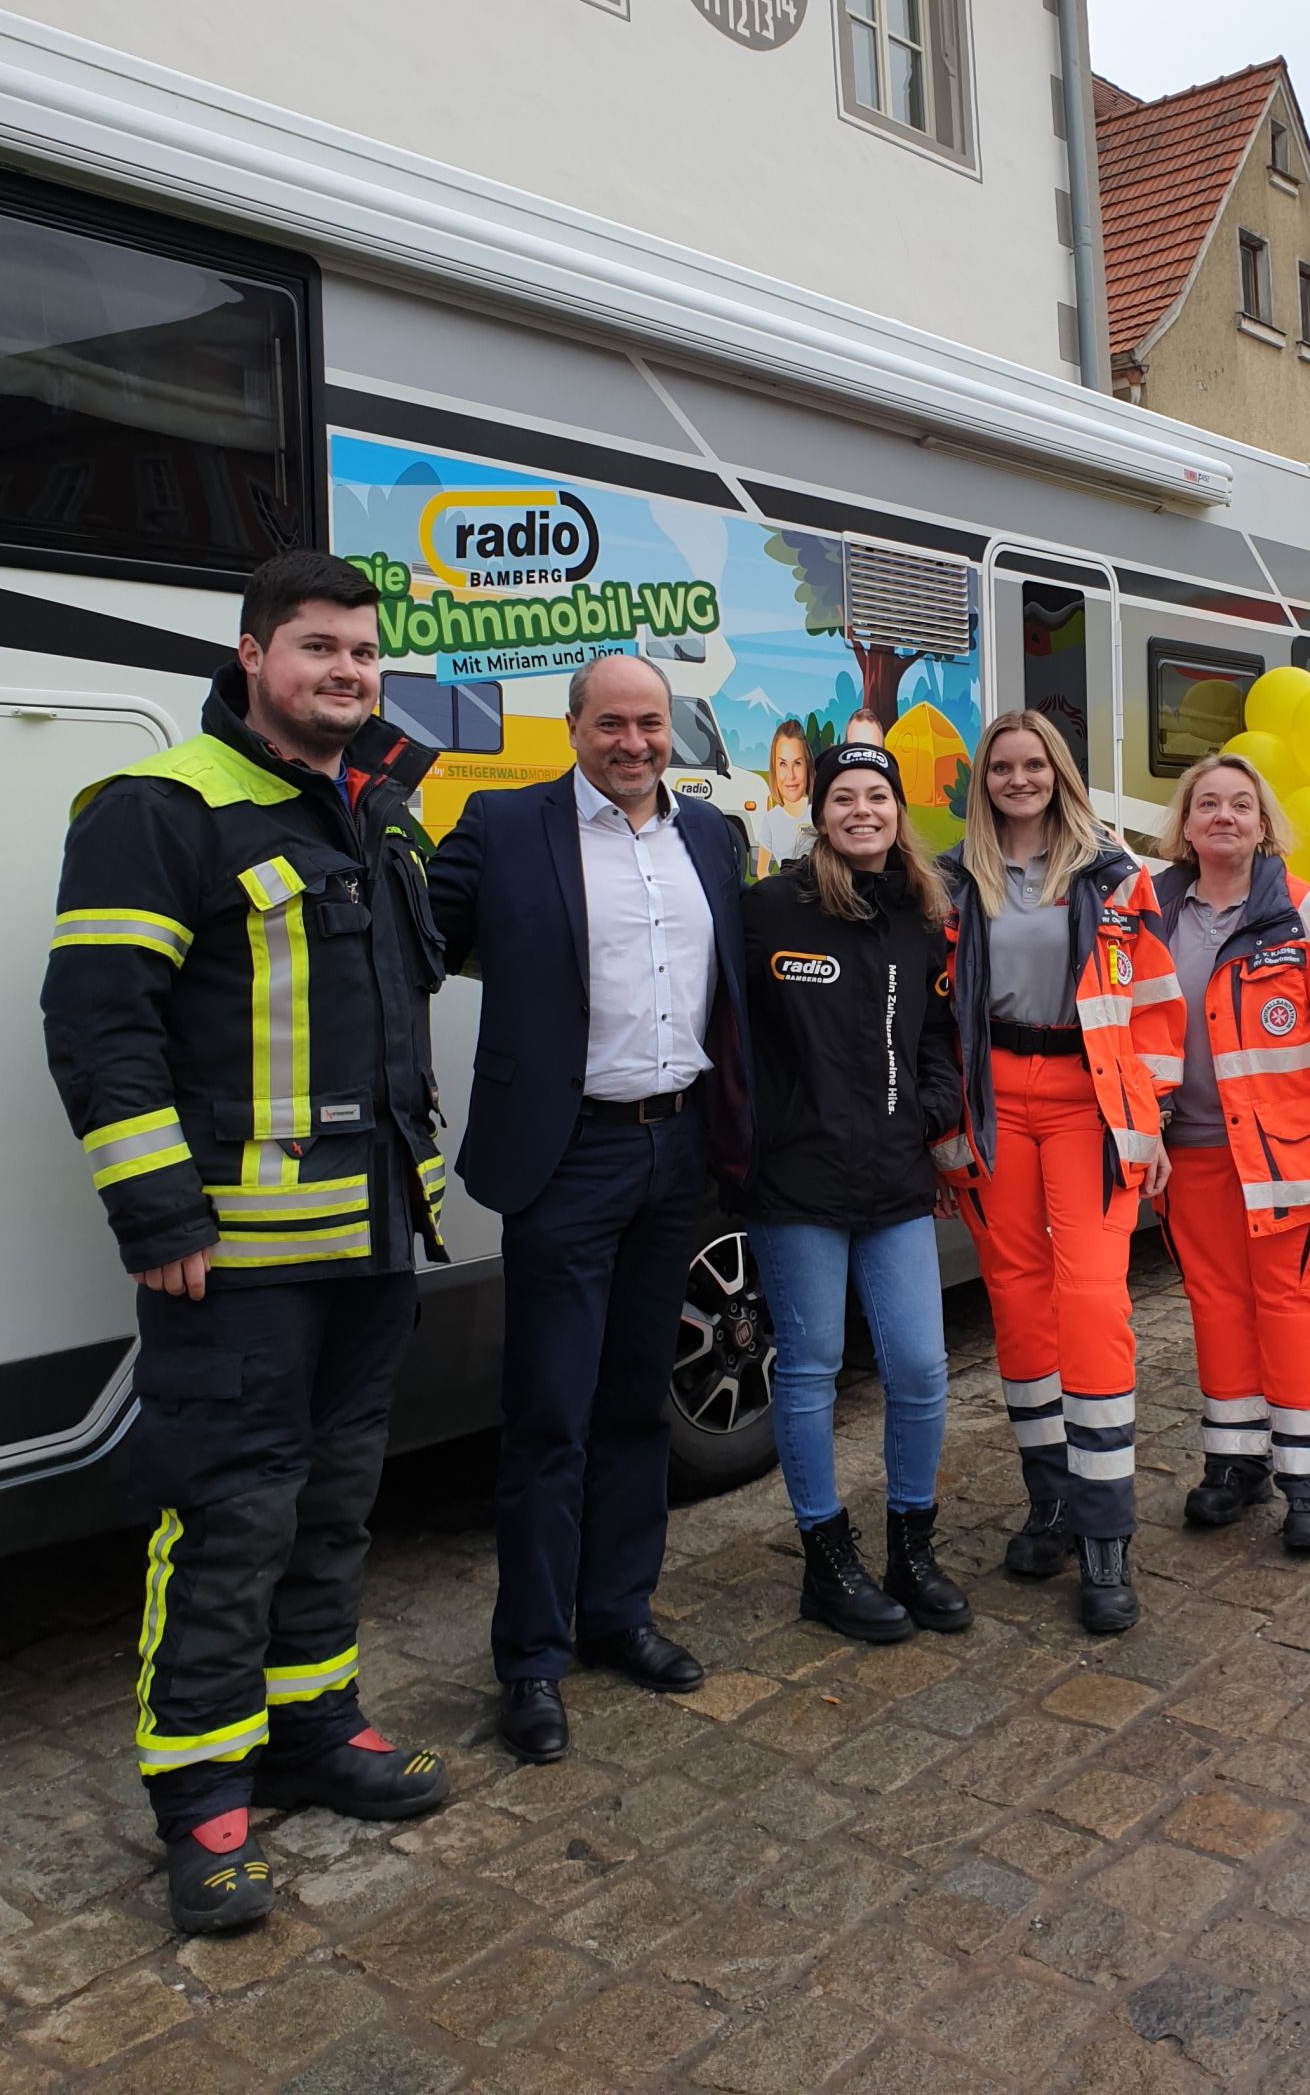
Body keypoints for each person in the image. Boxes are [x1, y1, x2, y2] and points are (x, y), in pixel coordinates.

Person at [41, 552, 451, 1937]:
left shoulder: (375, 811)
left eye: (364, 653)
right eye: (319, 648)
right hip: (235, 1257)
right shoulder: (162, 809)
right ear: (253, 655)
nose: (348, 671)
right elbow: (100, 1023)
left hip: (376, 1235)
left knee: (335, 1503)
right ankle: (201, 1800)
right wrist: (156, 1212)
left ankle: (313, 1731)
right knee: (229, 1515)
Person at [428, 651, 751, 1765]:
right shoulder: (503, 827)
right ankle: (530, 1658)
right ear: (571, 727)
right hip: (568, 1159)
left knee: (632, 1407)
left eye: (650, 723)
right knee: (548, 1416)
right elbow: (415, 941)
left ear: (675, 731)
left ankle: (620, 1614)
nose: (633, 742)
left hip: (677, 1156)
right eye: (610, 722)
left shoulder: (711, 836)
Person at [936, 711, 1183, 1634]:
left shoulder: (1116, 876)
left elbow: (1156, 1005)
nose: (1018, 778)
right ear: (984, 781)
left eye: (1034, 763)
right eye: (1001, 766)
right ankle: (1051, 1499)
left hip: (1088, 1100)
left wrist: (1152, 1113)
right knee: (1015, 1297)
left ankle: (1107, 1531)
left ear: (1059, 772)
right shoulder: (957, 879)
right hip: (996, 1099)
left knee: (1092, 1298)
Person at [741, 742, 968, 1643]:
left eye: (878, 795)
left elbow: (939, 1032)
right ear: (820, 813)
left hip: (895, 1172)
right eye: (844, 797)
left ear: (897, 809)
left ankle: (912, 1547)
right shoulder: (769, 910)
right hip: (796, 1176)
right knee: (811, 1367)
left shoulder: (922, 914)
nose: (862, 810)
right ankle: (827, 1562)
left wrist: (933, 1107)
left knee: (918, 1365)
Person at [1147, 753, 1310, 1554]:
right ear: (1184, 824)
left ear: (1264, 825)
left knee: (1295, 1311)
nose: (1224, 816)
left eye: (1240, 805)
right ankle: (1235, 1464)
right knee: (1217, 1310)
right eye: (1207, 804)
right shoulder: (1149, 913)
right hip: (1191, 1156)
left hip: (1297, 1159)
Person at [753, 718, 814, 878]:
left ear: (807, 766)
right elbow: (761, 871)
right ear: (774, 768)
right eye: (782, 764)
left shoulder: (820, 814)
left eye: (797, 763)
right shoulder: (771, 819)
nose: (791, 775)